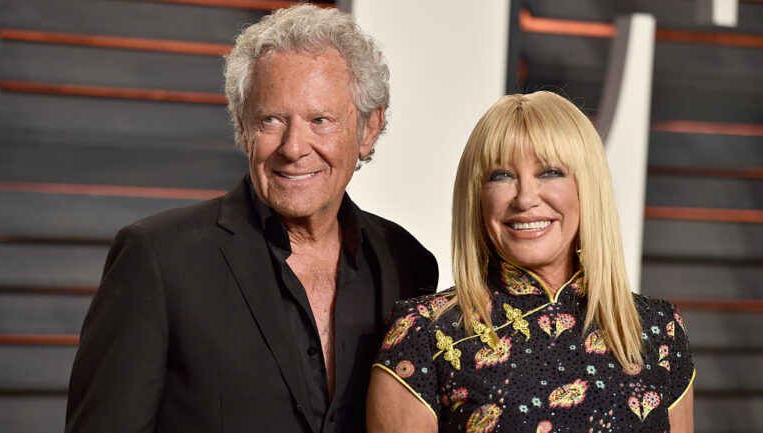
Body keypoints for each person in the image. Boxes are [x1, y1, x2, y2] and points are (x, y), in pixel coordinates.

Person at [65, 5, 438, 433]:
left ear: (368, 130)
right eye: (272, 120)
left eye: (320, 120)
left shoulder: (408, 263)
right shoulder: (158, 258)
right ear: (243, 128)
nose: (294, 147)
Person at [366, 91, 694, 432]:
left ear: (588, 186)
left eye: (550, 172)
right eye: (501, 176)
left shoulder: (659, 330)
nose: (525, 198)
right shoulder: (424, 333)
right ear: (477, 196)